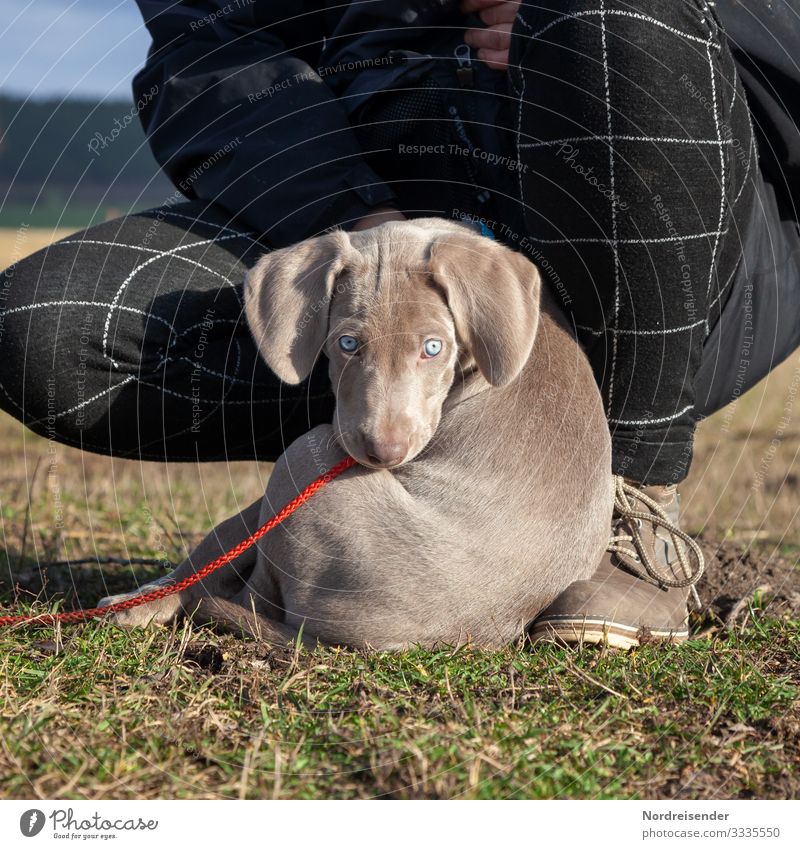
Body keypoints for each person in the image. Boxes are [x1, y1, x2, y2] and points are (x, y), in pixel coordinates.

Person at [1, 0, 798, 645]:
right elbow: (204, 46)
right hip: (359, 207)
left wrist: (575, 31)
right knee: (40, 325)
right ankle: (386, 418)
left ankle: (633, 503)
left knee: (611, 12)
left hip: (653, 231)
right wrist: (362, 229)